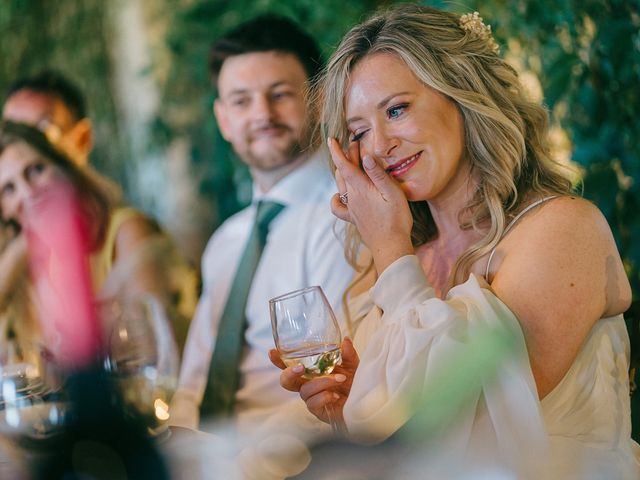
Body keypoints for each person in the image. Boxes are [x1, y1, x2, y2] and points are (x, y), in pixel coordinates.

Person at [275, 5, 639, 478]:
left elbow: (463, 432)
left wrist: (388, 245)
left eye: (397, 110)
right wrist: (353, 416)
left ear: (462, 95)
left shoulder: (563, 229)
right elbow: (404, 455)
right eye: (359, 132)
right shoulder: (399, 260)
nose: (380, 144)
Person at [170, 14, 353, 435]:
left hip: (291, 452)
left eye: (280, 94)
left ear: (319, 97)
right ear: (223, 119)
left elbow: (337, 378)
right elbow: (193, 380)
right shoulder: (226, 241)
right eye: (241, 101)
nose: (262, 114)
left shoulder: (342, 215)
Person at [0, 71, 195, 352]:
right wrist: (21, 249)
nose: (28, 193)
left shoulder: (126, 231)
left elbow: (157, 350)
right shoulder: (20, 265)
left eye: (36, 170)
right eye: (8, 189)